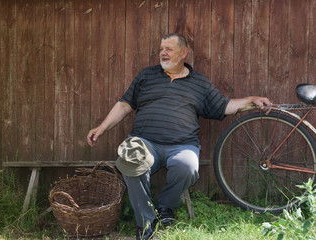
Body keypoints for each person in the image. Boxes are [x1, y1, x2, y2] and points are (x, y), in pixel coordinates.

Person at [87, 33, 271, 240]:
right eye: (161, 49)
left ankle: (166, 208)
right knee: (129, 159)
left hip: (183, 145)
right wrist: (101, 128)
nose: (163, 53)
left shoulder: (199, 83)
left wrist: (252, 100)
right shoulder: (147, 76)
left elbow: (225, 106)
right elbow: (124, 105)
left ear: (184, 53)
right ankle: (146, 225)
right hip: (144, 142)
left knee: (188, 166)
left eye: (169, 49)